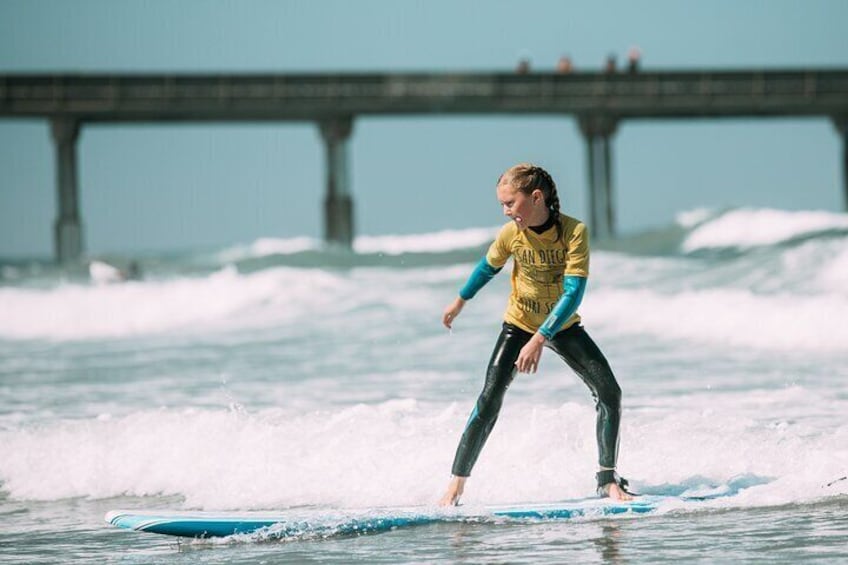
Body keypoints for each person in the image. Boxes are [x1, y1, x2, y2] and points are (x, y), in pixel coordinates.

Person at [438, 163, 633, 506]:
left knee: (609, 392)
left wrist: (541, 338)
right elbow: (488, 267)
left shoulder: (574, 232)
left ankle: (607, 480)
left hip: (561, 325)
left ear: (536, 198)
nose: (506, 211)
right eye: (503, 205)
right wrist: (460, 301)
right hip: (519, 324)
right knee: (489, 399)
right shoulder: (510, 234)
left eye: (510, 203)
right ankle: (455, 487)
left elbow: (573, 292)